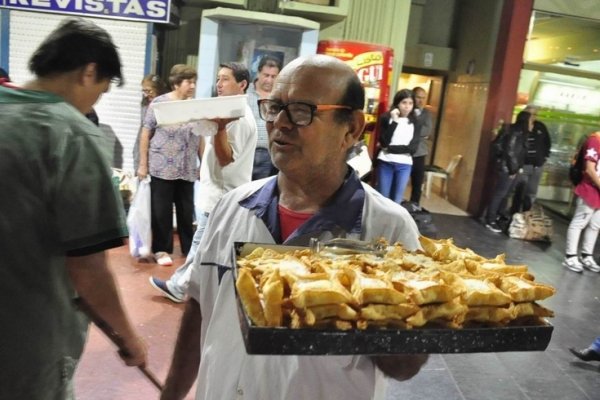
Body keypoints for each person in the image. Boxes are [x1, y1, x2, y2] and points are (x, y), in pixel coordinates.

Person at [158, 54, 427, 400]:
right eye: (274, 107)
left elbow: (405, 366)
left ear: (352, 128)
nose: (280, 123)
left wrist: (375, 303)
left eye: (302, 110)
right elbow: (198, 308)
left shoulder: (388, 228)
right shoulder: (231, 208)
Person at [0, 18, 147, 399]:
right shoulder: (72, 135)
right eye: (102, 89)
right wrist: (128, 336)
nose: (95, 100)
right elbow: (87, 266)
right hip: (24, 343)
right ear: (90, 71)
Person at [149, 62, 257, 303]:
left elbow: (226, 157)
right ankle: (190, 287)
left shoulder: (238, 119)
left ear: (242, 84)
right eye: (218, 79)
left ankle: (180, 287)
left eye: (225, 79)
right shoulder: (229, 113)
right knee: (205, 246)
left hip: (222, 195)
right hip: (219, 193)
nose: (219, 84)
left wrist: (219, 129)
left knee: (201, 246)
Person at [138, 64, 202, 266]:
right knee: (161, 211)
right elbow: (146, 133)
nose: (192, 85)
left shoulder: (196, 105)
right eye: (188, 81)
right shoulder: (160, 103)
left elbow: (200, 136)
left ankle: (188, 249)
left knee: (186, 211)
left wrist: (202, 163)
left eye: (194, 81)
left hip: (186, 167)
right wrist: (142, 164)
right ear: (176, 83)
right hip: (162, 166)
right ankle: (161, 249)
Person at [484, 111, 531, 233]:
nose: (533, 123)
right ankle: (491, 220)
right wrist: (513, 169)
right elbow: (510, 151)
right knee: (500, 193)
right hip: (508, 168)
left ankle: (497, 216)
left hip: (512, 168)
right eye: (532, 120)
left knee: (505, 194)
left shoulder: (520, 132)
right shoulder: (516, 132)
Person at [562, 131, 600, 273]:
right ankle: (570, 256)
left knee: (595, 225)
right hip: (589, 189)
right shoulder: (595, 140)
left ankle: (586, 256)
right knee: (579, 223)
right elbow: (589, 169)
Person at [376, 89, 420, 204]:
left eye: (410, 103)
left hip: (404, 165)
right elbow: (384, 141)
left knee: (397, 200)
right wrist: (394, 122)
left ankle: (393, 222)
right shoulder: (386, 118)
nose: (407, 107)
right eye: (404, 103)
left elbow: (412, 149)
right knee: (383, 199)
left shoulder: (415, 122)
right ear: (397, 103)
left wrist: (389, 149)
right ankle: (381, 222)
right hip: (386, 162)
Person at [510, 105, 551, 213]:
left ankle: (527, 214)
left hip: (537, 165)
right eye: (531, 114)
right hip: (523, 165)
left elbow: (547, 143)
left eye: (535, 114)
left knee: (531, 192)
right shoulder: (520, 127)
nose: (534, 116)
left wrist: (545, 157)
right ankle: (514, 213)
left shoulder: (540, 126)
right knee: (519, 190)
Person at [247, 55, 282, 180]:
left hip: (268, 154)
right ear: (258, 73)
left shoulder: (280, 97)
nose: (269, 80)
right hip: (246, 152)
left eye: (273, 76)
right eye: (266, 75)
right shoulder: (246, 93)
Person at [133, 74, 168, 172]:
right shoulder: (145, 103)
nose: (146, 94)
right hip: (141, 148)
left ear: (158, 89)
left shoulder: (165, 105)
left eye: (148, 91)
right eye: (144, 91)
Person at [409, 86, 434, 205]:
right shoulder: (407, 110)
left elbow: (427, 131)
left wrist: (413, 129)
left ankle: (414, 206)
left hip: (420, 152)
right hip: (405, 152)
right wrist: (419, 132)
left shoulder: (427, 113)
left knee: (417, 182)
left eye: (424, 98)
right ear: (413, 97)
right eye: (418, 97)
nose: (421, 101)